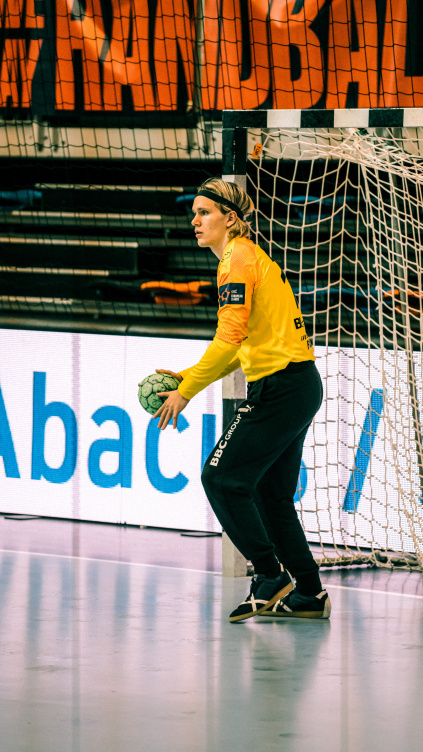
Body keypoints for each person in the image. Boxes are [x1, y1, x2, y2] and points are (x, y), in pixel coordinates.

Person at [153, 177, 331, 623]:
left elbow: (228, 338)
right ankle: (309, 593)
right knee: (271, 496)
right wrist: (187, 376)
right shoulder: (244, 257)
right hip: (296, 385)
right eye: (194, 213)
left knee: (220, 478)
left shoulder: (237, 260)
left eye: (204, 212)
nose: (195, 221)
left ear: (230, 218)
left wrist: (187, 391)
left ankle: (270, 575)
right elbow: (238, 348)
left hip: (281, 389)